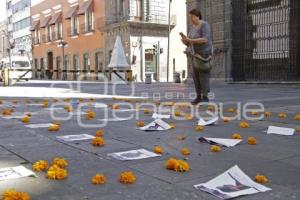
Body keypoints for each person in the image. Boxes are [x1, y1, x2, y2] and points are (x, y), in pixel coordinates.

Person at [181, 9, 213, 104]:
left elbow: (205, 40)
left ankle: (205, 96)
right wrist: (185, 42)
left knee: (203, 75)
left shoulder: (204, 25)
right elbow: (190, 42)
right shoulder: (192, 28)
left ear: (197, 16)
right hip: (194, 55)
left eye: (192, 16)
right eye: (189, 17)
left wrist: (190, 40)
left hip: (204, 55)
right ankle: (198, 96)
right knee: (195, 77)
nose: (190, 19)